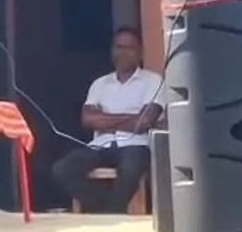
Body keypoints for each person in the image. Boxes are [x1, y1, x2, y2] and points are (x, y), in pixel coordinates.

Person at [52, 27, 164, 214]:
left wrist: (105, 120)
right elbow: (87, 120)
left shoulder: (153, 81)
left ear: (140, 52)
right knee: (62, 168)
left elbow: (144, 122)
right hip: (100, 146)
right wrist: (130, 117)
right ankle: (107, 211)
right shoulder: (100, 84)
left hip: (135, 146)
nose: (123, 53)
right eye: (119, 47)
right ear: (112, 50)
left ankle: (109, 213)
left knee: (130, 170)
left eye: (129, 48)